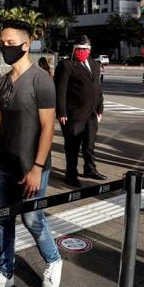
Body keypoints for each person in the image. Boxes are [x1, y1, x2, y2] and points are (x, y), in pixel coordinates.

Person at [0, 20, 62, 287]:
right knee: (3, 219)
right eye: (2, 43)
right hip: (4, 165)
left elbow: (48, 127)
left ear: (25, 45)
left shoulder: (41, 80)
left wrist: (36, 167)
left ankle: (54, 260)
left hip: (31, 166)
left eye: (10, 43)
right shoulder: (3, 81)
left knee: (32, 219)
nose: (4, 47)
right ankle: (4, 271)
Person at [54, 35, 106, 187]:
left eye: (85, 49)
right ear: (74, 49)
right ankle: (71, 174)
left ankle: (90, 169)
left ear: (90, 50)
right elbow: (60, 90)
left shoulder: (95, 65)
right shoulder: (67, 65)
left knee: (90, 145)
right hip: (73, 114)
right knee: (72, 147)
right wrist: (61, 112)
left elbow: (98, 88)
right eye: (80, 49)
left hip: (92, 113)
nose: (82, 51)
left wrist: (100, 107)